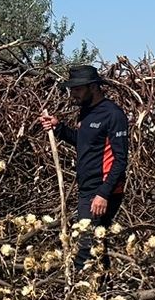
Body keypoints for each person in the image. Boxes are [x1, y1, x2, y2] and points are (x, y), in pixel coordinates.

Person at [40, 63, 130, 273]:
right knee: (97, 244)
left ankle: (81, 294)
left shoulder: (113, 115)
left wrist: (103, 193)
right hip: (87, 189)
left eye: (78, 89)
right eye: (72, 90)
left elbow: (120, 160)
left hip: (103, 191)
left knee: (85, 246)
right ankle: (105, 296)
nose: (74, 95)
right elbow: (83, 142)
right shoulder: (86, 113)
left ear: (93, 87)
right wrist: (58, 128)